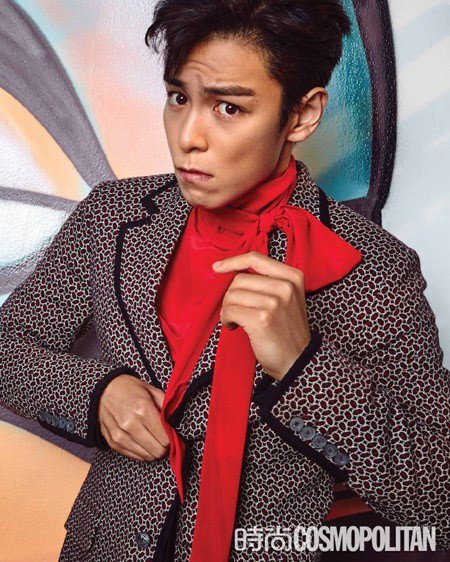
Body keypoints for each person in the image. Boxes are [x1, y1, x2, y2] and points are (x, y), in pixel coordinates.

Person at [0, 0, 449, 560]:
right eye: (178, 98)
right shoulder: (114, 214)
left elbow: (437, 492)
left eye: (229, 108)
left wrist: (305, 364)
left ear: (302, 115)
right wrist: (97, 394)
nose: (189, 136)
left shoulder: (372, 269)